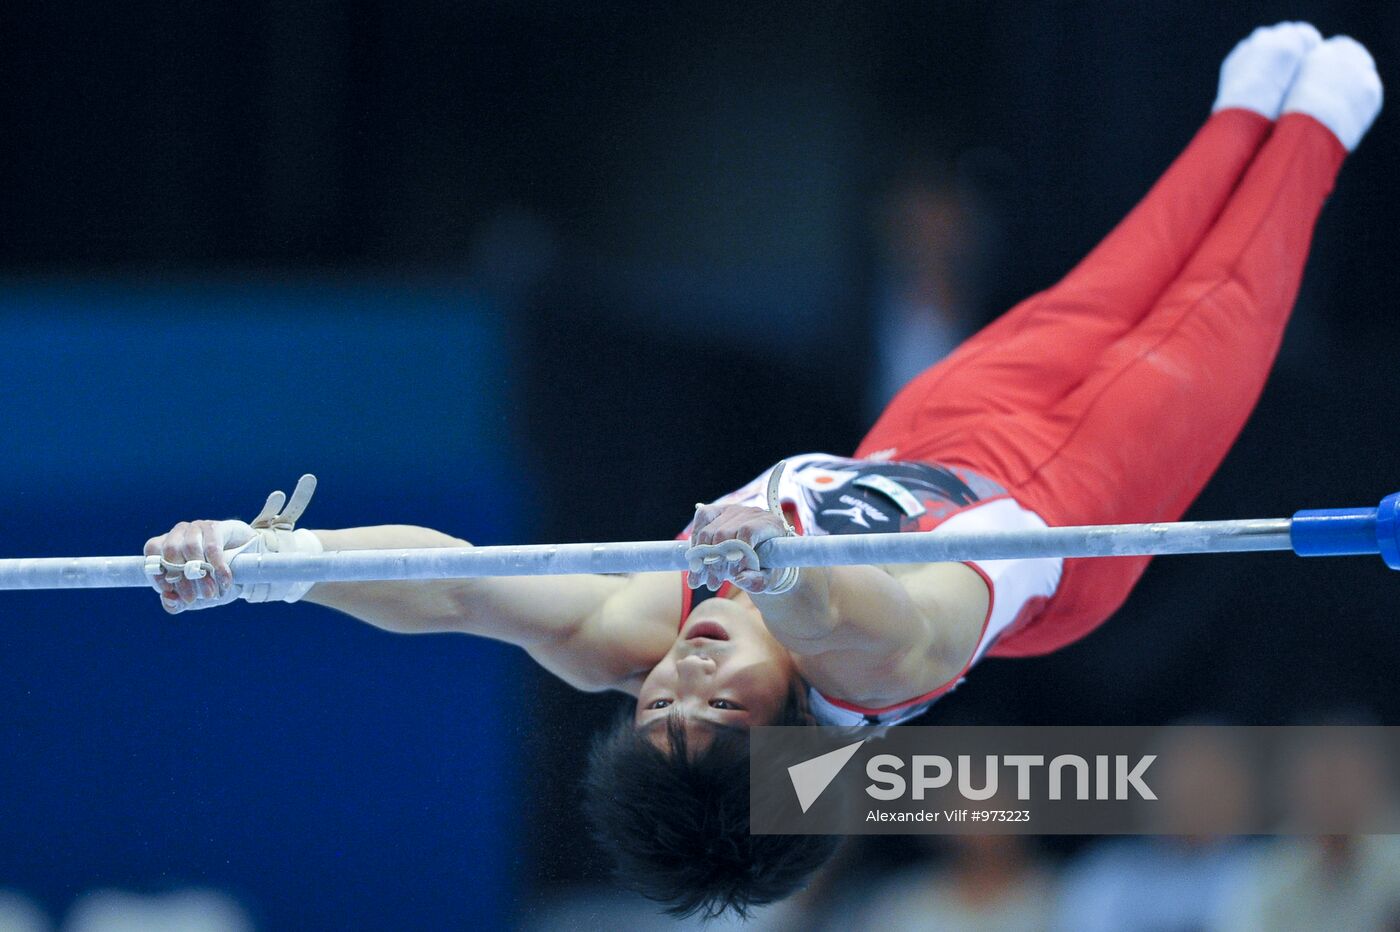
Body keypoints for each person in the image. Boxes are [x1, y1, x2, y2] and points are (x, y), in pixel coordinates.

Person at [143, 23, 1383, 920]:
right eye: (719, 707)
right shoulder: (865, 664)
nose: (680, 677)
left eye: (656, 711)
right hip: (1070, 498)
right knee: (1210, 307)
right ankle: (1320, 126)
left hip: (933, 431)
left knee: (1114, 274)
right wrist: (785, 578)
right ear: (793, 733)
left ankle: (1241, 106)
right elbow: (856, 603)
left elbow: (451, 585)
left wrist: (279, 567)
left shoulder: (629, 636)